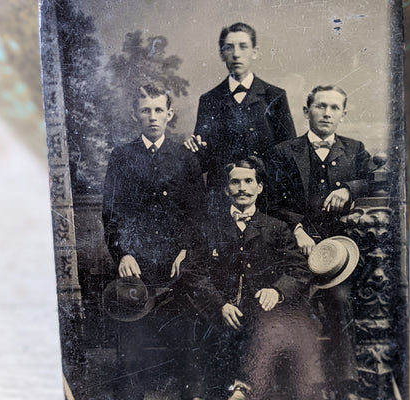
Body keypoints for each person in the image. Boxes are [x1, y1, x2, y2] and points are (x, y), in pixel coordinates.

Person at [185, 157, 325, 400]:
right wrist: (220, 304)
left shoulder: (277, 228)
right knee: (205, 334)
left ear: (259, 187)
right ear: (226, 189)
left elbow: (298, 268)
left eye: (249, 181)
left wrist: (277, 291)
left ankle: (243, 388)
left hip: (262, 309)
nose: (242, 188)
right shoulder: (209, 228)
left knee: (265, 329)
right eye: (235, 182)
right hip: (219, 308)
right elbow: (194, 273)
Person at [267, 85, 372, 399]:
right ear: (306, 111)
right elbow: (270, 202)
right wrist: (296, 228)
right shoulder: (284, 153)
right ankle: (296, 386)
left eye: (334, 108)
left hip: (338, 255)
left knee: (340, 302)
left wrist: (350, 189)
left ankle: (345, 384)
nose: (327, 114)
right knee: (291, 306)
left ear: (343, 113)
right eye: (320, 106)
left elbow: (371, 177)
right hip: (296, 251)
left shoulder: (354, 149)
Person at [102, 83, 205, 400]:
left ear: (170, 114)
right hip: (137, 264)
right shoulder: (121, 157)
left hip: (176, 263)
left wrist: (187, 249)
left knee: (189, 352)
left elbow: (196, 212)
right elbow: (112, 213)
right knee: (131, 349)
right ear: (136, 114)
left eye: (159, 109)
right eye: (145, 110)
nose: (152, 116)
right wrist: (122, 254)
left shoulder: (185, 158)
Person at [184, 22, 296, 210]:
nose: (236, 54)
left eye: (243, 46)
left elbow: (289, 154)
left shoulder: (274, 96)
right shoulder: (209, 100)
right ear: (221, 53)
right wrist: (194, 150)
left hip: (267, 200)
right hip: (222, 201)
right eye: (229, 47)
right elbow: (202, 162)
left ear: (255, 51)